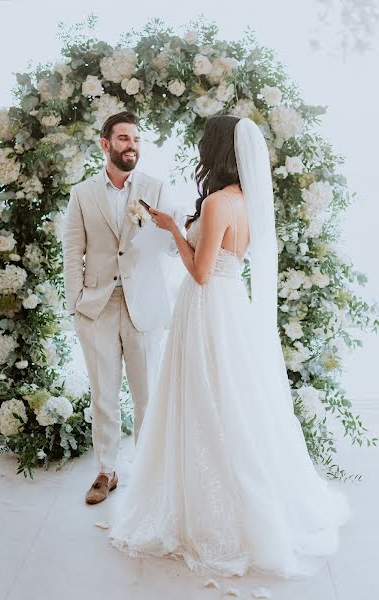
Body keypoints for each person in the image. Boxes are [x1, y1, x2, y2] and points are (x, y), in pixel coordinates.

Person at [107, 115, 350, 578]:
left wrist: (172, 230)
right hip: (233, 303)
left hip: (206, 307)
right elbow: (226, 259)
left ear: (215, 150)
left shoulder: (217, 201)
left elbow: (199, 271)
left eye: (204, 143)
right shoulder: (248, 200)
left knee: (205, 400)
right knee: (235, 400)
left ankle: (213, 512)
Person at [63, 111, 178, 505]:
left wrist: (167, 231)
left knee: (147, 395)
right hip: (96, 307)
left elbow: (168, 247)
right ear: (105, 144)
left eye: (137, 139)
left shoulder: (156, 188)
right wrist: (76, 304)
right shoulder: (82, 193)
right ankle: (105, 471)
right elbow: (72, 249)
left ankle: (147, 473)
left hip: (142, 303)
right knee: (104, 394)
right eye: (124, 138)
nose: (132, 145)